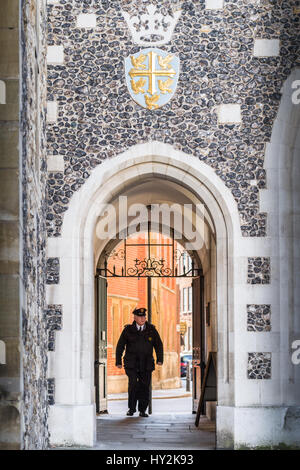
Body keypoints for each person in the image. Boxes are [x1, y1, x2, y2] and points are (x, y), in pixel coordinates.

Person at [116, 307, 163, 417]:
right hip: (131, 364)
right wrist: (118, 361)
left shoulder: (151, 329)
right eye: (140, 317)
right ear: (135, 317)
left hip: (146, 364)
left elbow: (158, 345)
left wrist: (160, 359)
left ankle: (142, 410)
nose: (143, 318)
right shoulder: (128, 330)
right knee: (133, 384)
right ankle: (131, 409)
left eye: (144, 316)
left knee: (144, 386)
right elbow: (120, 346)